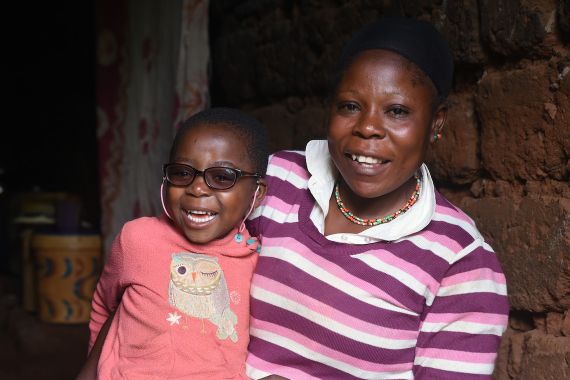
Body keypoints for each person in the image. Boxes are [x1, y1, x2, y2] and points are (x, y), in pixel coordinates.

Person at [245, 16, 509, 379]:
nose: (367, 127)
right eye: (350, 106)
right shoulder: (275, 181)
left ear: (437, 123)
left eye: (397, 111)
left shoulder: (460, 263)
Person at [79, 107, 269, 379]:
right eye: (182, 173)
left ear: (257, 192)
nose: (198, 188)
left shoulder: (259, 262)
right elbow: (104, 306)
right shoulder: (137, 239)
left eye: (222, 177)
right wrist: (96, 367)